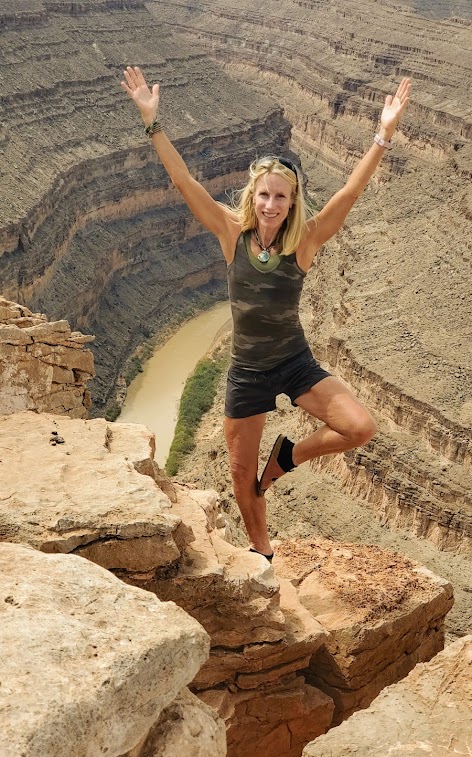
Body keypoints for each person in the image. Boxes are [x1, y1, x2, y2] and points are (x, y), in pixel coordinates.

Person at [121, 66, 411, 561]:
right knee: (240, 473)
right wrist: (153, 122)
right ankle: (264, 553)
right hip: (247, 372)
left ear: (292, 201)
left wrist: (383, 135)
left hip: (295, 362)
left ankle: (289, 456)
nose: (271, 204)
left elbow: (349, 193)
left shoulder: (305, 240)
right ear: (251, 197)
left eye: (280, 196)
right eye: (263, 194)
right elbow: (183, 181)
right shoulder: (230, 233)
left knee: (360, 427)